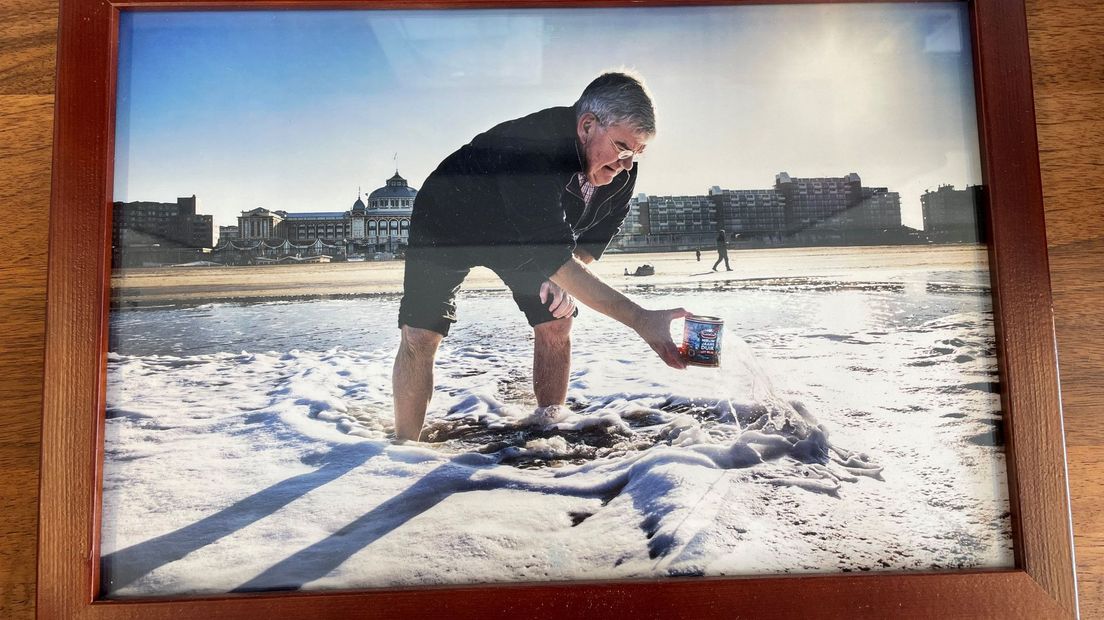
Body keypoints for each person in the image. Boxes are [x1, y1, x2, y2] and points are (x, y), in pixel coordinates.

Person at [392, 72, 692, 441]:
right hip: (447, 220)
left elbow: (592, 240)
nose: (627, 164)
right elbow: (551, 253)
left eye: (637, 152)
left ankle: (548, 430)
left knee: (557, 320)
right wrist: (641, 319)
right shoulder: (534, 147)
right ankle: (402, 452)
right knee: (421, 333)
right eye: (622, 147)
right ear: (586, 126)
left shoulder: (622, 172)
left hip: (522, 237)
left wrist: (565, 278)